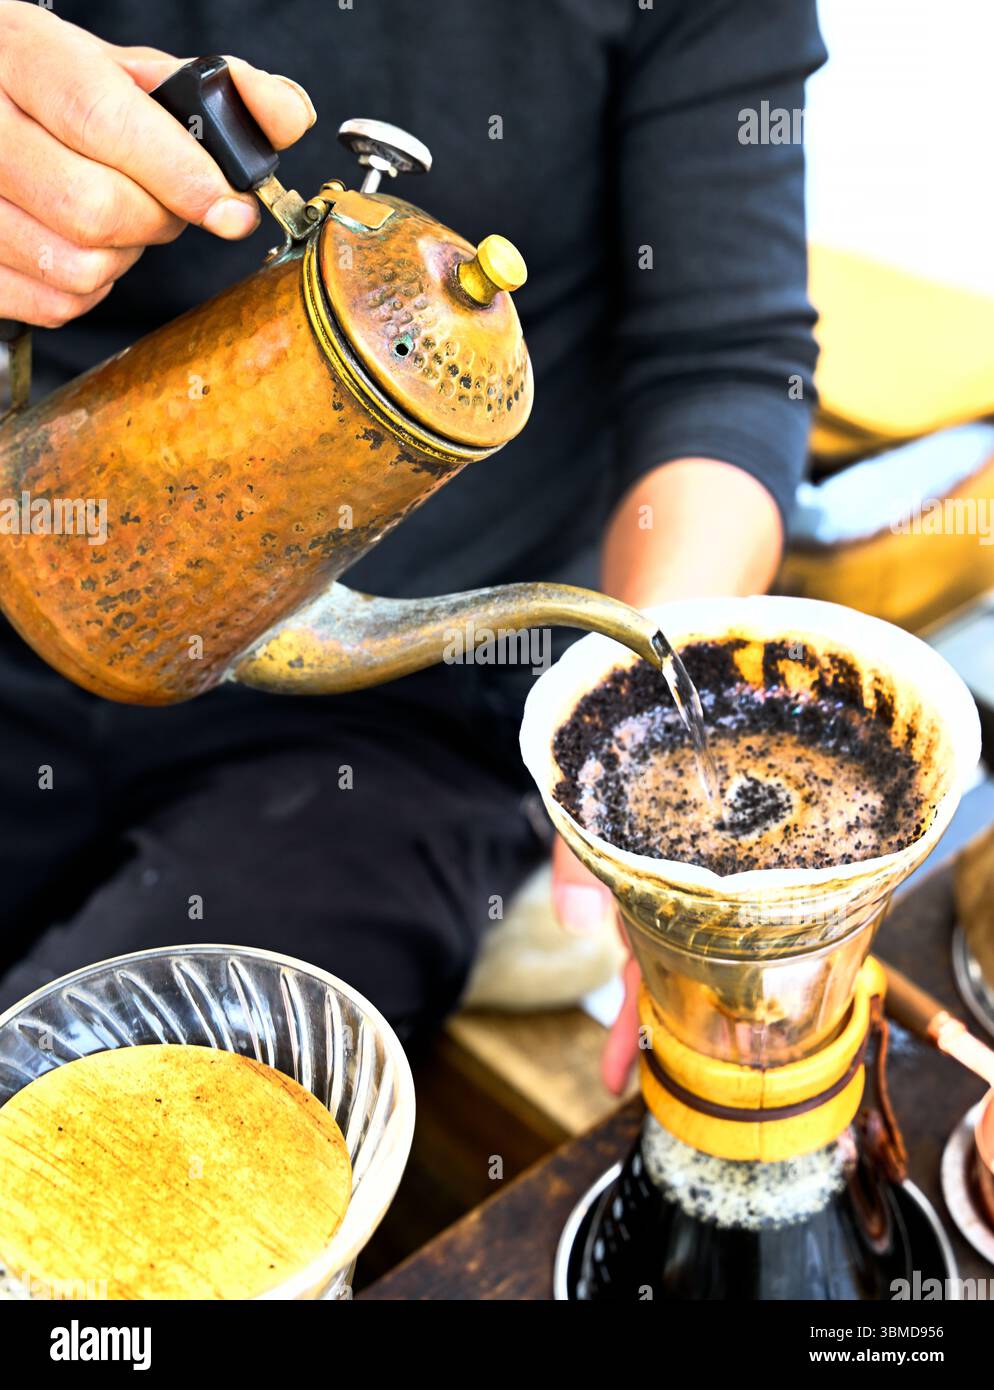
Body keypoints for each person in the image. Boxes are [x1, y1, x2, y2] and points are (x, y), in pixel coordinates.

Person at [0, 0, 825, 1088]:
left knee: (105, 1125)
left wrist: (640, 747)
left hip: (393, 724)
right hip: (42, 525)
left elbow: (721, 365)